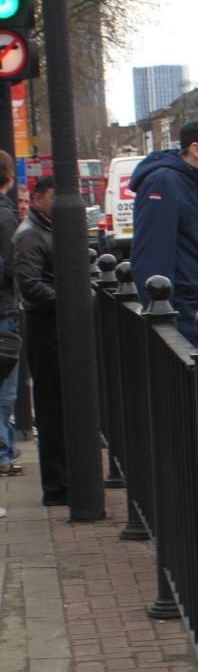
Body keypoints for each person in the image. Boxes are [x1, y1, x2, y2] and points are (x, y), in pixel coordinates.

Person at [130, 118, 198, 345]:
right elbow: (152, 259)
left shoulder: (188, 181)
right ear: (197, 150)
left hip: (191, 311)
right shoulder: (164, 182)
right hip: (179, 318)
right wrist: (166, 330)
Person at [13, 177, 67, 506]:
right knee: (51, 409)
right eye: (53, 198)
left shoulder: (43, 229)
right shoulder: (31, 234)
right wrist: (68, 301)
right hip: (46, 330)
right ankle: (57, 487)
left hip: (53, 328)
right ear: (37, 199)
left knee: (60, 406)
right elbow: (30, 285)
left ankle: (63, 481)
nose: (59, 204)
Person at [0, 151, 21, 477]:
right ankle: (3, 452)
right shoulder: (5, 216)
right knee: (6, 390)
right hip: (3, 309)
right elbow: (11, 266)